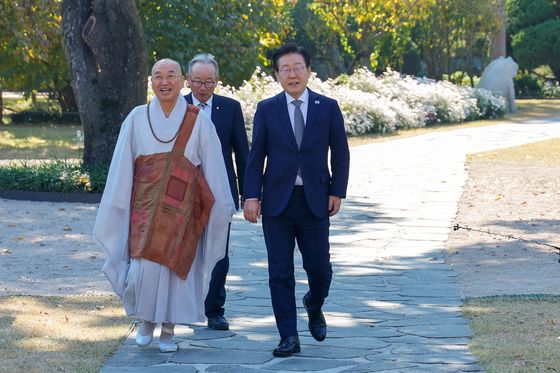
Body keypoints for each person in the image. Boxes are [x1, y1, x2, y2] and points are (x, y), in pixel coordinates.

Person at [93, 58, 235, 353]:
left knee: (176, 268)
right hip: (144, 209)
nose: (164, 81)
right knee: (144, 268)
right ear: (151, 81)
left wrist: (219, 207)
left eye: (171, 75)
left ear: (183, 80)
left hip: (182, 213)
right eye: (158, 76)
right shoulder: (136, 117)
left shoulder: (198, 121)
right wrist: (119, 202)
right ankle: (146, 321)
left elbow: (213, 168)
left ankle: (169, 329)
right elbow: (122, 166)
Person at [243, 43, 350, 357]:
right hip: (276, 202)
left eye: (297, 68)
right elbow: (255, 156)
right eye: (285, 69)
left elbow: (340, 153)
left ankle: (314, 304)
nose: (292, 74)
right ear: (277, 75)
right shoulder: (267, 109)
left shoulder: (327, 107)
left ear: (309, 71)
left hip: (315, 200)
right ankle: (288, 336)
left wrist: (336, 191)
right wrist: (251, 195)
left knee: (320, 270)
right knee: (280, 272)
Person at [184, 53, 249, 331]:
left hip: (220, 192)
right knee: (180, 251)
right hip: (182, 192)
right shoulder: (176, 106)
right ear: (188, 80)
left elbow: (242, 154)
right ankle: (181, 307)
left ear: (217, 81)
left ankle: (215, 309)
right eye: (197, 81)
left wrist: (249, 194)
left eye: (209, 82)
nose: (202, 87)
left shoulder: (230, 108)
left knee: (219, 251)